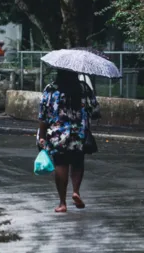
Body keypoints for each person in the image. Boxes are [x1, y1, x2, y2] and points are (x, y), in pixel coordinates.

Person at [37, 69, 99, 212]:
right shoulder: (84, 88)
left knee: (61, 164)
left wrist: (41, 136)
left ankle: (62, 203)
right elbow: (94, 110)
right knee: (78, 162)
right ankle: (76, 191)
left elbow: (43, 114)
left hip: (58, 134)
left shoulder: (51, 88)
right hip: (79, 133)